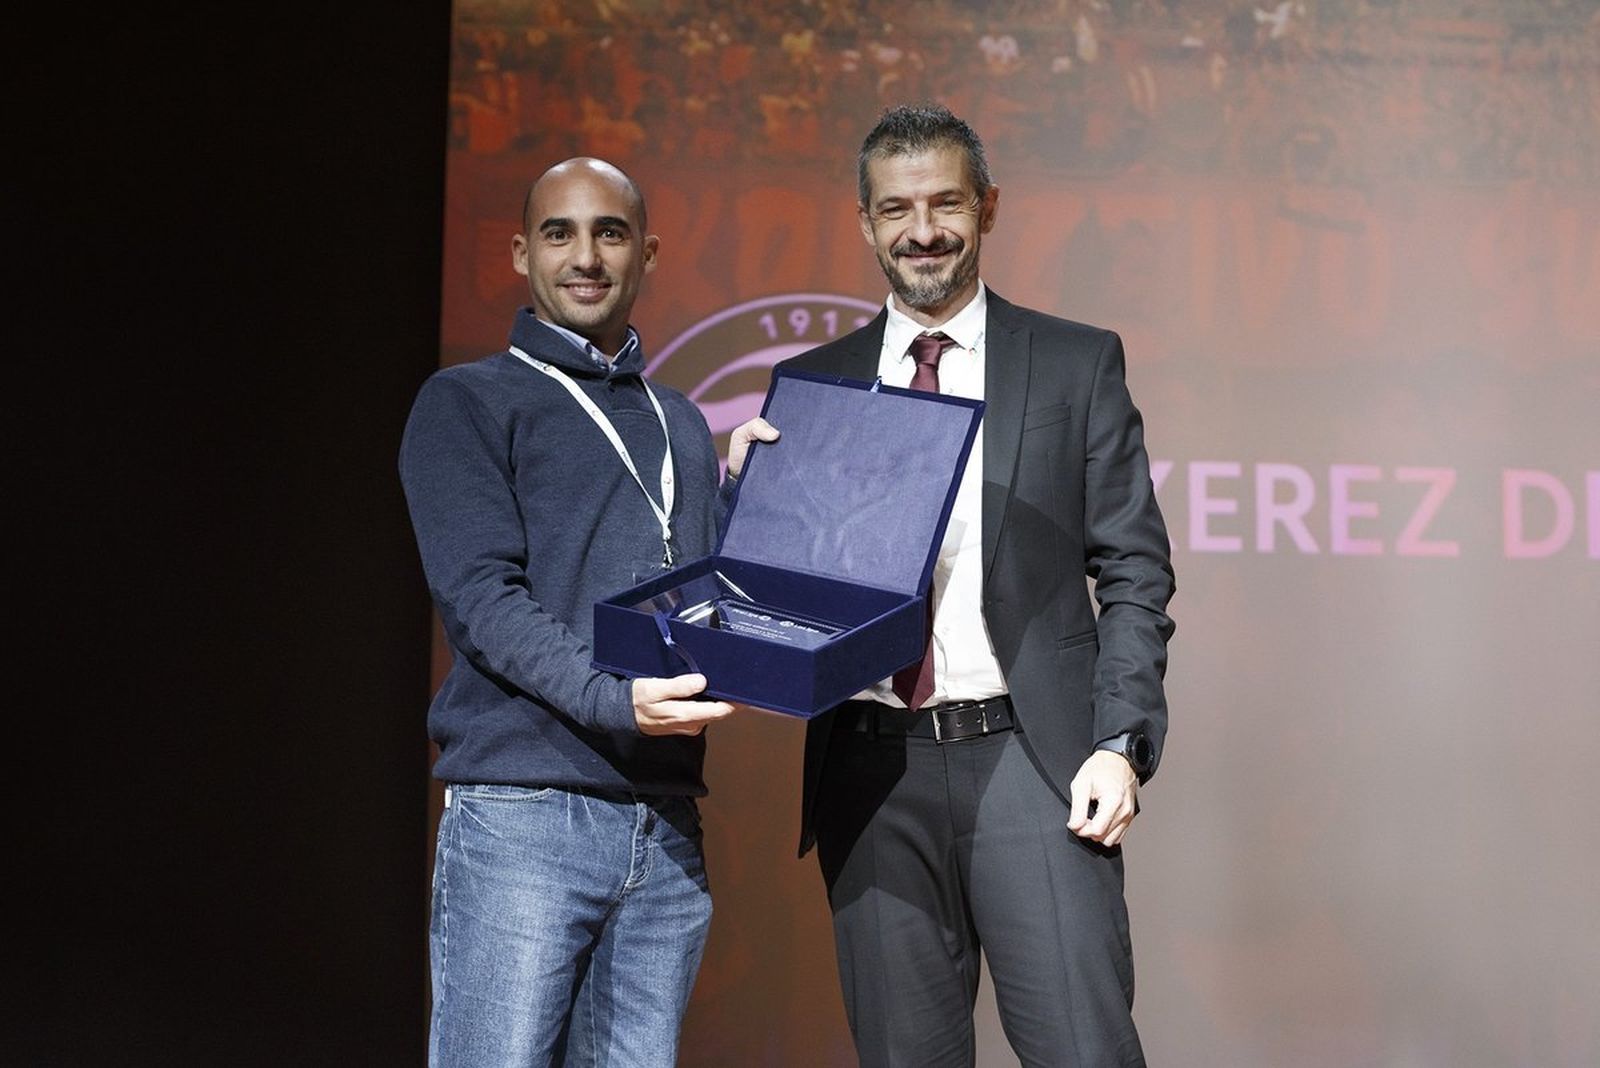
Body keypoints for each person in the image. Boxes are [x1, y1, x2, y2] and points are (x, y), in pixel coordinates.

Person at [769, 104, 1176, 1066]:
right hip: (871, 774)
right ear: (864, 222)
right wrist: (746, 504)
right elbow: (775, 603)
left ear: (986, 207)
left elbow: (1135, 569)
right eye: (896, 209)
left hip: (1035, 765)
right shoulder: (810, 386)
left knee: (1085, 1050)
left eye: (946, 202)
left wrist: (1118, 743)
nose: (923, 231)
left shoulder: (1074, 363)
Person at [399, 157, 741, 1068]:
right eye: (559, 233)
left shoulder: (682, 424)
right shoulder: (467, 402)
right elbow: (481, 603)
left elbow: (705, 588)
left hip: (664, 823)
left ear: (649, 254)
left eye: (611, 233)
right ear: (520, 253)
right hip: (522, 817)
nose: (585, 256)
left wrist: (761, 495)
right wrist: (612, 699)